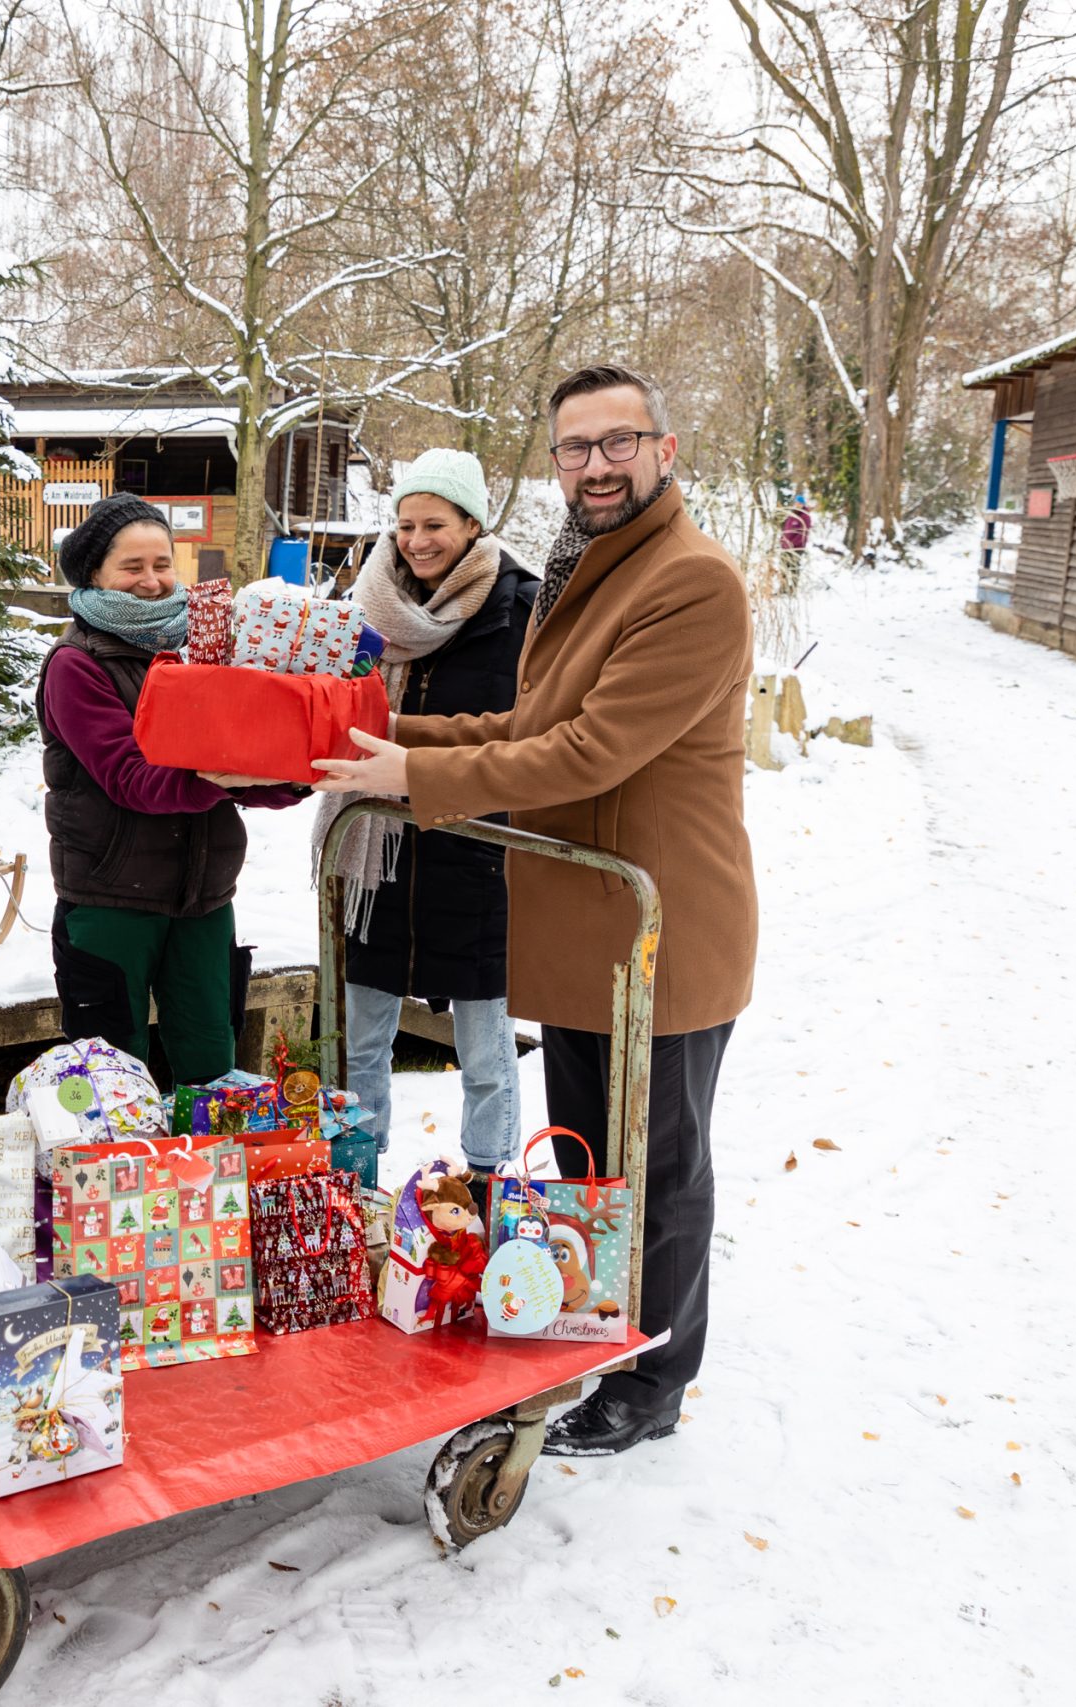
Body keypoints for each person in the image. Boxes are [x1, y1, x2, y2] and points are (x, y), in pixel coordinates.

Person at [313, 362, 755, 1459]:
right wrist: (396, 743)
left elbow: (586, 752)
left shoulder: (690, 581)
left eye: (618, 443)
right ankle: (601, 1333)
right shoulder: (595, 569)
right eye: (574, 448)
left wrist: (411, 784)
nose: (595, 466)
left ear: (663, 449)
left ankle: (651, 1382)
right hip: (586, 936)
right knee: (594, 1166)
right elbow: (521, 721)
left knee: (655, 1169)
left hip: (661, 938)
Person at [314, 448, 538, 1173]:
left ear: (473, 523)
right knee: (362, 1037)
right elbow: (333, 704)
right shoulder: (367, 603)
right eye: (406, 523)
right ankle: (358, 1186)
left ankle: (487, 1185)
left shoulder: (522, 609)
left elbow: (527, 734)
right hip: (377, 848)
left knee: (484, 1047)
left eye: (435, 522)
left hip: (476, 849)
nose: (417, 540)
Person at [39, 493, 303, 1084]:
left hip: (203, 899)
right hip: (111, 900)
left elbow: (234, 762)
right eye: (131, 567)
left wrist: (290, 775)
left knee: (213, 1066)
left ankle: (209, 1175)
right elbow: (130, 778)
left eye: (162, 564)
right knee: (109, 1079)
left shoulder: (197, 651)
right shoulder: (75, 664)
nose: (152, 581)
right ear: (94, 575)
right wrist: (219, 776)